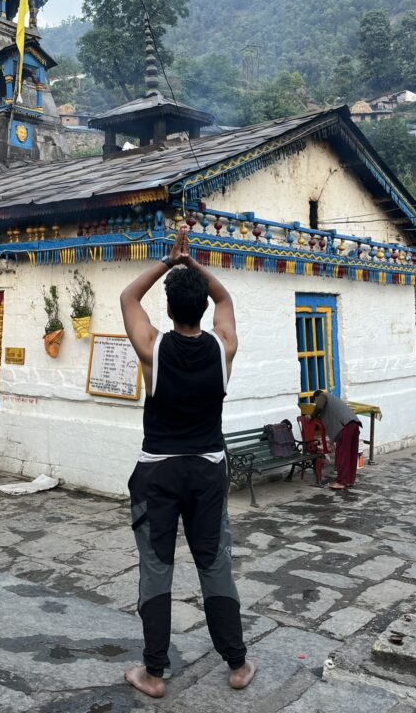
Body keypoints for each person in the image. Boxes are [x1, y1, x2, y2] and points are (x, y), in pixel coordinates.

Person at [120, 226, 255, 698]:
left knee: (157, 568)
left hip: (157, 470)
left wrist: (170, 261)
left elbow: (128, 295)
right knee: (214, 563)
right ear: (200, 308)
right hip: (207, 469)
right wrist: (194, 265)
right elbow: (226, 298)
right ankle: (237, 665)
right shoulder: (223, 348)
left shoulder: (152, 349)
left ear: (170, 308)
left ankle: (153, 673)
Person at [311, 389, 361, 490]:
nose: (316, 403)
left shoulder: (323, 396)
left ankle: (341, 482)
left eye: (315, 401)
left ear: (316, 398)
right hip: (354, 424)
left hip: (345, 427)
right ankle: (350, 480)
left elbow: (319, 406)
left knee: (342, 455)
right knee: (351, 454)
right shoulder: (334, 400)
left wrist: (311, 417)